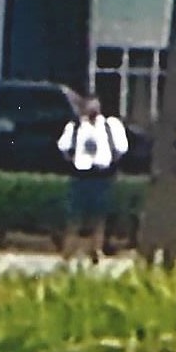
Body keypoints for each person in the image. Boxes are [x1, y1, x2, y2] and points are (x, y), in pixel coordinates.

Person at [58, 89, 130, 261]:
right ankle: (68, 252)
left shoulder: (110, 126)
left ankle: (96, 251)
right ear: (83, 108)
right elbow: (64, 148)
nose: (92, 111)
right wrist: (75, 160)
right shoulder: (75, 127)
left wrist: (108, 162)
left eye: (95, 107)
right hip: (80, 176)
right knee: (74, 217)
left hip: (101, 176)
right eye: (89, 107)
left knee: (99, 217)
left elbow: (121, 149)